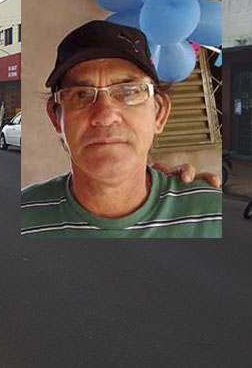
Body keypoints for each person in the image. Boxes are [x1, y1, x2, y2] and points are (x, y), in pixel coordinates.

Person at [21, 20, 222, 238]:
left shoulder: (212, 214)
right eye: (81, 94)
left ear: (159, 113)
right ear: (55, 116)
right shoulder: (22, 217)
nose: (105, 116)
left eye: (129, 91)